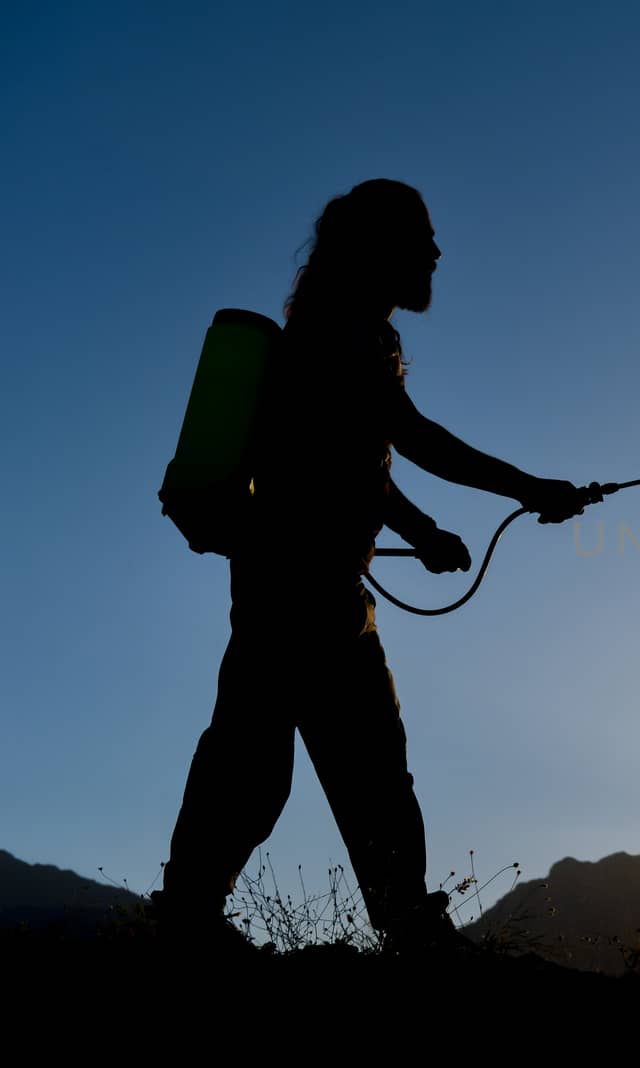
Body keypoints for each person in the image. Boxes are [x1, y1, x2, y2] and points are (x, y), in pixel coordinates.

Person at [155, 179, 587, 953]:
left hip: (287, 581)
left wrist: (421, 532)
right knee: (349, 770)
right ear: (379, 249)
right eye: (421, 238)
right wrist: (530, 487)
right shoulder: (347, 331)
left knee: (265, 762)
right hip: (305, 587)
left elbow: (358, 461)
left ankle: (188, 916)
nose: (436, 252)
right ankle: (400, 930)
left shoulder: (331, 329)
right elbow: (411, 436)